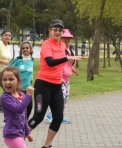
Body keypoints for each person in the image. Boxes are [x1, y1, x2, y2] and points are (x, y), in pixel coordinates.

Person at [27, 19, 83, 148]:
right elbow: (50, 62)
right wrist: (67, 58)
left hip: (57, 85)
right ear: (50, 30)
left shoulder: (62, 45)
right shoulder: (47, 44)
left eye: (60, 30)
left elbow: (59, 65)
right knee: (39, 117)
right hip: (43, 85)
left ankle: (47, 145)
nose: (57, 32)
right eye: (55, 29)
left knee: (58, 117)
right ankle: (18, 142)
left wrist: (60, 77)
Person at [46, 29, 79, 124]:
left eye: (69, 39)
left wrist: (74, 70)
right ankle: (52, 114)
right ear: (61, 38)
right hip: (59, 78)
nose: (67, 41)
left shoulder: (70, 51)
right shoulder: (60, 50)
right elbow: (56, 64)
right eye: (65, 39)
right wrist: (58, 77)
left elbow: (68, 64)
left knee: (65, 98)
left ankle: (59, 115)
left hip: (67, 79)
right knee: (60, 98)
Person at [0, 67, 34, 148]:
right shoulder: (5, 98)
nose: (7, 82)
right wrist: (28, 95)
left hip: (20, 134)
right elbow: (19, 109)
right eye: (4, 80)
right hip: (11, 135)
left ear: (18, 81)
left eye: (11, 79)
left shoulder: (22, 95)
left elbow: (24, 118)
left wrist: (27, 133)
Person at [9, 41, 34, 118]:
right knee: (17, 106)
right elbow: (8, 68)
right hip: (18, 88)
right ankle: (7, 120)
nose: (25, 49)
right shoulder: (18, 59)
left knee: (29, 106)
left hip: (28, 88)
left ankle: (24, 122)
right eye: (23, 48)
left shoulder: (32, 60)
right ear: (21, 50)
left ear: (30, 49)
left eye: (27, 48)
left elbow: (31, 73)